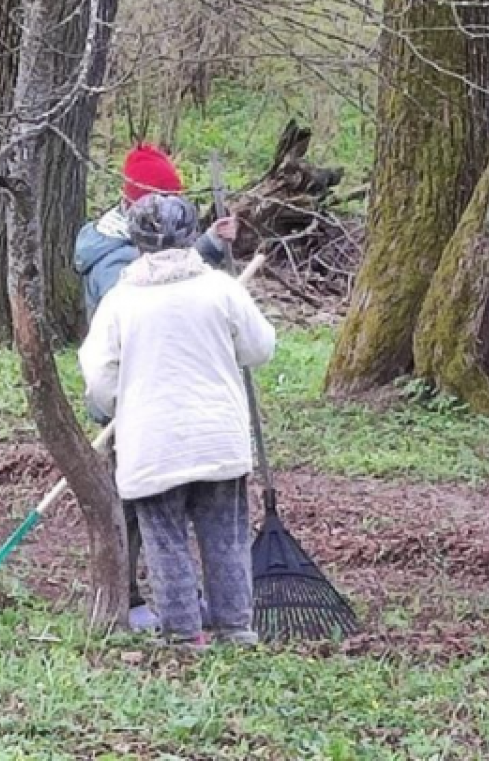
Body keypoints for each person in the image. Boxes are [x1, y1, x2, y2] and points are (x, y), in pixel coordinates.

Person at [79, 194, 276, 648]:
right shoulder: (221, 290)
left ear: (138, 241)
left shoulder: (120, 302)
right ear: (190, 237)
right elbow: (260, 348)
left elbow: (98, 377)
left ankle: (184, 635)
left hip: (152, 444)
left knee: (165, 542)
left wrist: (119, 407)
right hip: (217, 440)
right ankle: (235, 629)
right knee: (225, 536)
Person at [74, 143, 238, 633]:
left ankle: (166, 601)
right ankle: (124, 599)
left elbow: (169, 271)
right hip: (129, 398)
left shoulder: (138, 239)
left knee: (157, 500)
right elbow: (144, 297)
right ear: (136, 204)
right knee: (128, 506)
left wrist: (207, 245)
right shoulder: (110, 262)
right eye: (161, 202)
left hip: (158, 395)